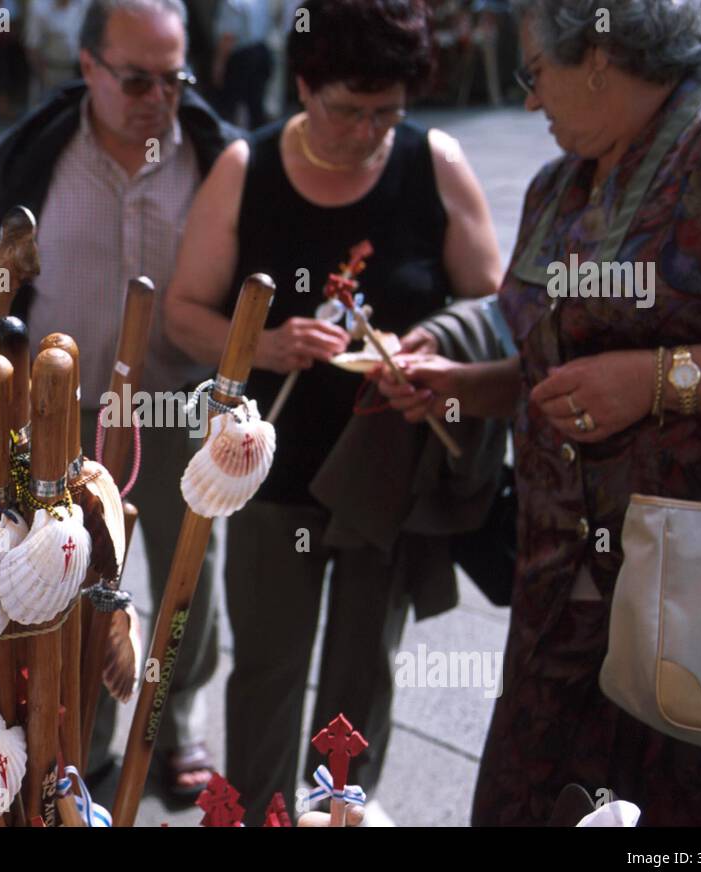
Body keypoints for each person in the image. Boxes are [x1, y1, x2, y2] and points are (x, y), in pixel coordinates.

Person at [378, 0, 701, 825]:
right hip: (559, 607)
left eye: (533, 73)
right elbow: (563, 369)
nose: (529, 102)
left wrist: (658, 381)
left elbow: (637, 376)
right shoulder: (557, 183)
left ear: (599, 57)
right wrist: (468, 385)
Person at [164, 0, 503, 824]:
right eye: (347, 109)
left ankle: (341, 815)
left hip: (384, 476)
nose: (365, 132)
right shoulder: (250, 167)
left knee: (364, 672)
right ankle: (249, 816)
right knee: (269, 671)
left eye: (387, 113)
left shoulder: (433, 162)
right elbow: (182, 311)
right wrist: (269, 345)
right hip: (273, 475)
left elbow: (497, 306)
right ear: (305, 87)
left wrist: (434, 358)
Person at [0, 0, 239, 797]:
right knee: (74, 592)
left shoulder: (211, 157)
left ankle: (177, 726)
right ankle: (78, 752)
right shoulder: (30, 157)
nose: (156, 98)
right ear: (89, 67)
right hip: (58, 422)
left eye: (173, 79)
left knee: (184, 590)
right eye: (134, 79)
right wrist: (8, 358)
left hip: (171, 410)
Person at [210, 0, 273, 128]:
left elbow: (229, 36)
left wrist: (219, 64)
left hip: (241, 57)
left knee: (228, 106)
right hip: (261, 51)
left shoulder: (231, 3)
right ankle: (260, 142)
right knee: (255, 106)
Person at [24, 0, 87, 101]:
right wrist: (43, 78)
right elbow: (32, 46)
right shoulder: (39, 6)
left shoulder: (84, 4)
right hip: (51, 73)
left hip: (79, 72)